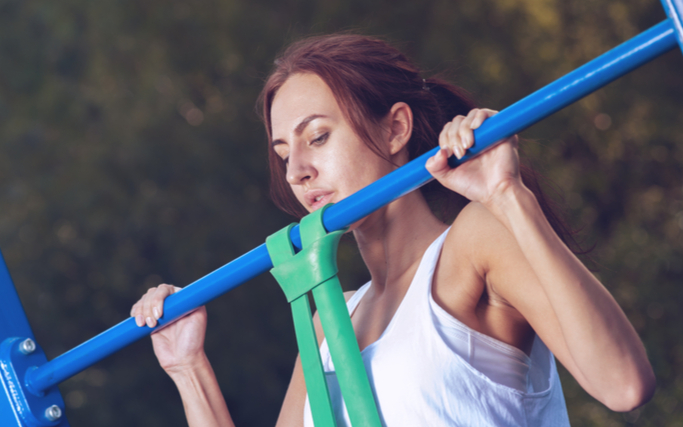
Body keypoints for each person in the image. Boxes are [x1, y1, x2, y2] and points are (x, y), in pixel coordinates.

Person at [130, 34, 655, 426]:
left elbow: (625, 385)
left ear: (396, 128)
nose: (297, 171)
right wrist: (189, 368)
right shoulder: (327, 324)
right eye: (284, 153)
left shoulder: (472, 245)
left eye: (317, 137)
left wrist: (507, 197)